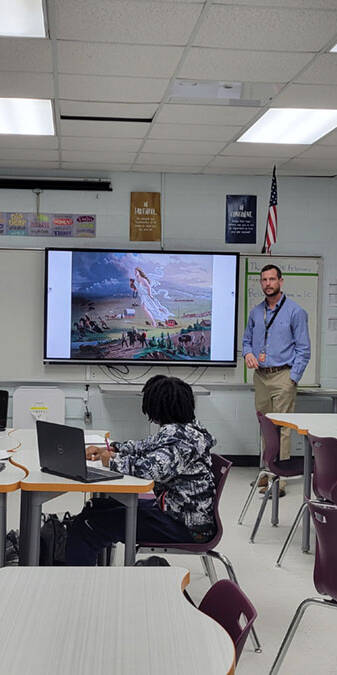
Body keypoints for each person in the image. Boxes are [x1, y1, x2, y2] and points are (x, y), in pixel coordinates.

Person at [66, 375, 216, 565]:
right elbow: (147, 445)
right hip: (175, 509)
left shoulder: (183, 441)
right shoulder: (186, 430)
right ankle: (95, 569)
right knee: (96, 508)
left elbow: (152, 469)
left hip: (185, 525)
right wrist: (114, 449)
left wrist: (112, 462)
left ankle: (77, 587)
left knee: (87, 526)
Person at [242, 264, 310, 495]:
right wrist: (248, 353)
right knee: (266, 427)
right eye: (264, 280)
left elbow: (304, 349)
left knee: (282, 429)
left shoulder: (295, 312)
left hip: (283, 376)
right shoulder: (255, 312)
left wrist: (292, 378)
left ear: (281, 281)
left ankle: (279, 480)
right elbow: (246, 341)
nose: (268, 283)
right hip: (261, 376)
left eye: (272, 279)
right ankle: (267, 473)